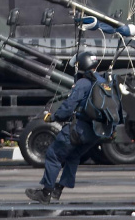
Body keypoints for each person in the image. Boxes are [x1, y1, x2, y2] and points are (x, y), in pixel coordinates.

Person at [25, 51, 116, 204]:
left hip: (79, 129)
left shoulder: (83, 83)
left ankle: (46, 192)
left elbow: (68, 106)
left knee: (53, 155)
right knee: (73, 156)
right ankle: (58, 189)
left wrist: (54, 116)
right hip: (96, 132)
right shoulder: (104, 82)